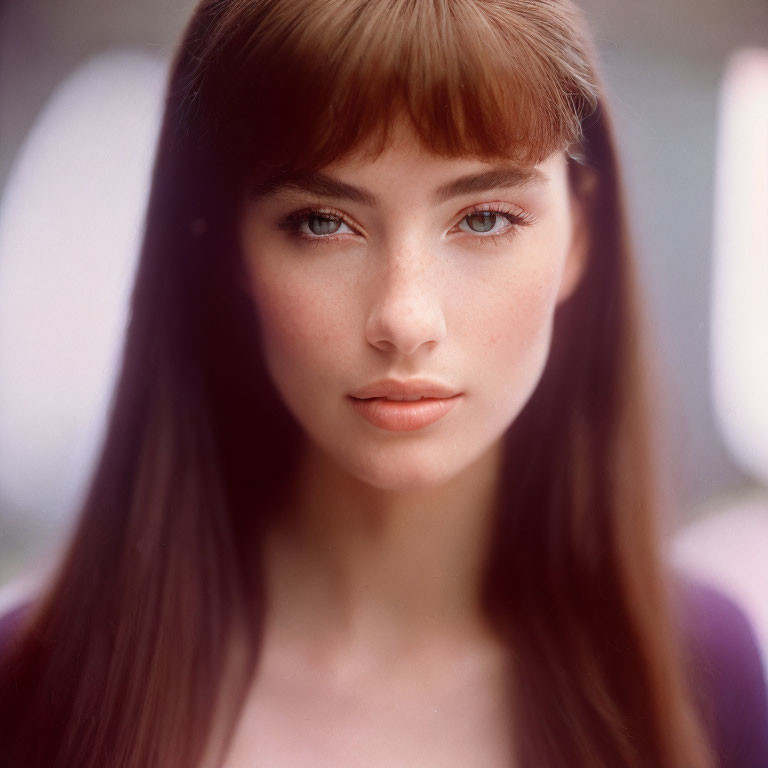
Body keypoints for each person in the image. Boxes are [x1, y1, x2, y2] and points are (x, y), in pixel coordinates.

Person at [0, 0, 766, 765]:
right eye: (323, 222)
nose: (404, 317)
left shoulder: (703, 675)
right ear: (224, 245)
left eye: (487, 218)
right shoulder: (34, 685)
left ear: (579, 236)